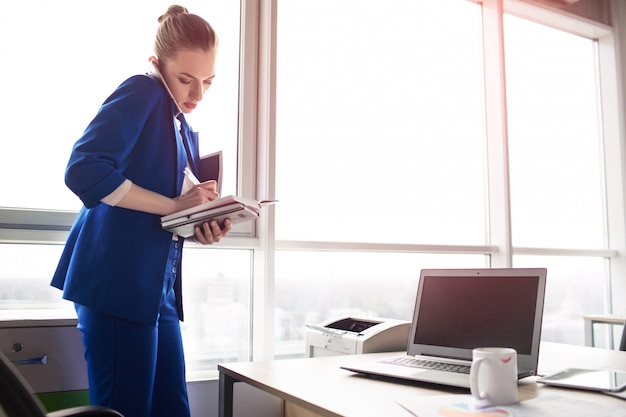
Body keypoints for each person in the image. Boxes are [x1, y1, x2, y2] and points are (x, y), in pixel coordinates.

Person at [51, 5, 230, 417]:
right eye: (186, 79)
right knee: (123, 411)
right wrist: (173, 205)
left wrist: (200, 222)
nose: (197, 94)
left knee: (173, 408)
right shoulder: (143, 90)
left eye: (207, 82)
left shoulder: (181, 124)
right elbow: (84, 170)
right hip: (117, 283)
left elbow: (159, 212)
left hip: (156, 289)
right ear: (156, 64)